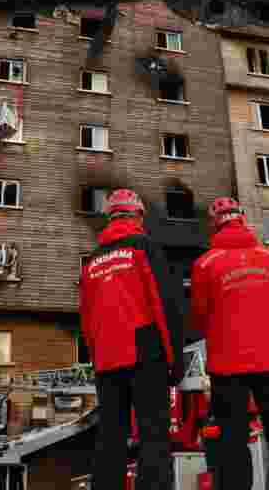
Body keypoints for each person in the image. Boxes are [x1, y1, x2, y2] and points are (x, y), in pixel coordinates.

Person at [190, 197, 269, 490]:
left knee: (232, 434)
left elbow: (200, 317)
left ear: (215, 224)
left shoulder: (204, 264)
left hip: (228, 365)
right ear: (242, 218)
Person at [79, 189, 187, 490]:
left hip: (107, 360)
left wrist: (95, 360)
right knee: (154, 435)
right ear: (138, 215)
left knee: (111, 436)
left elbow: (86, 319)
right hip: (144, 352)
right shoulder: (143, 247)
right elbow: (164, 305)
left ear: (110, 217)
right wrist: (175, 359)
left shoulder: (92, 261)